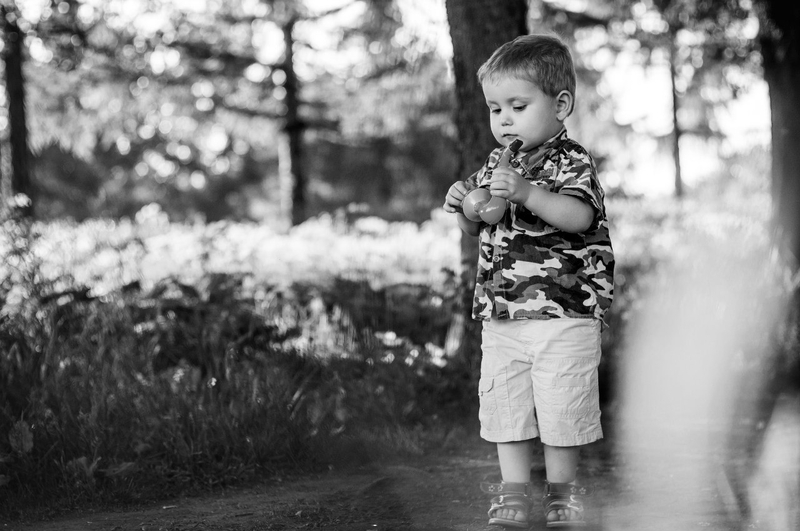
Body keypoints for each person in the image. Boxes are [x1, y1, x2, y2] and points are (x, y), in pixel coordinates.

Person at [443, 34, 614, 528]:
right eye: (495, 109)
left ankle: (562, 493)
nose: (505, 120)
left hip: (564, 312)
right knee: (507, 406)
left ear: (560, 106)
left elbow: (579, 217)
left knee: (563, 407)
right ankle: (513, 492)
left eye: (518, 107)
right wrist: (463, 207)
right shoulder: (494, 165)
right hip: (503, 314)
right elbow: (480, 224)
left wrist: (527, 193)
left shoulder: (571, 160)